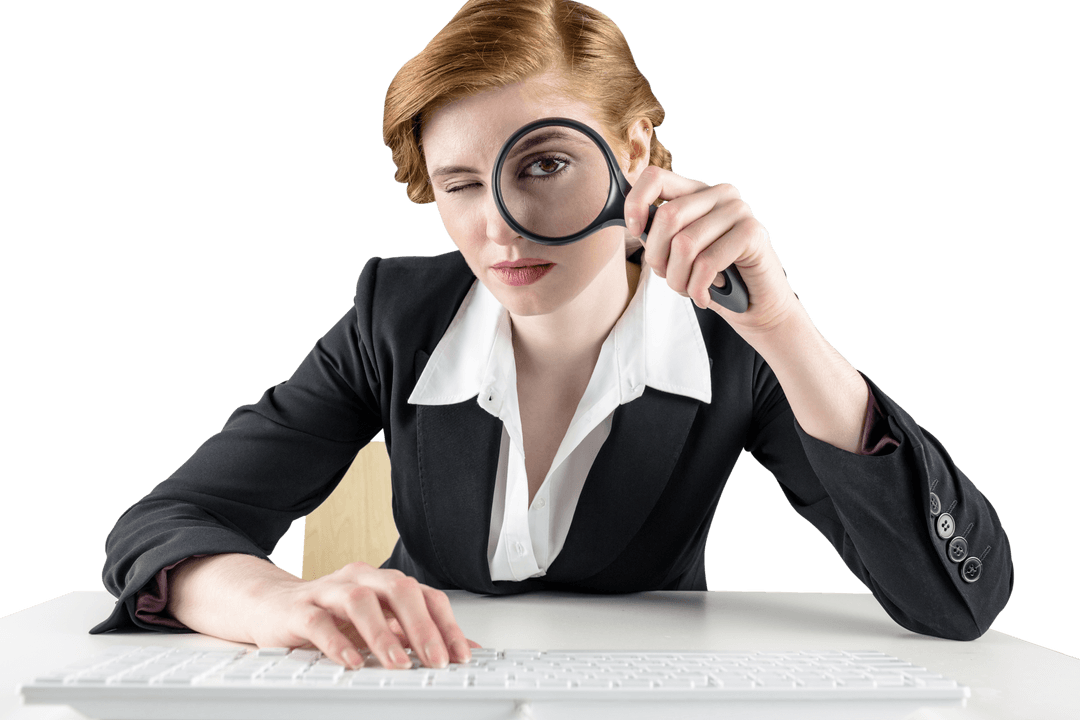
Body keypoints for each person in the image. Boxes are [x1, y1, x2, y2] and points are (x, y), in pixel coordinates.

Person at [93, 0, 1013, 673]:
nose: (501, 229)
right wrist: (284, 602)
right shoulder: (395, 317)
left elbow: (958, 602)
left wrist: (783, 328)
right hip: (419, 694)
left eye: (544, 165)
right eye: (459, 183)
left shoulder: (733, 345)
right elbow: (161, 526)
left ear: (639, 150)